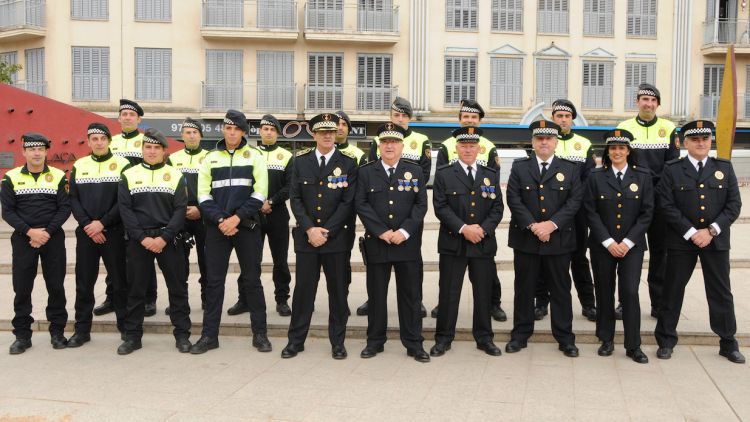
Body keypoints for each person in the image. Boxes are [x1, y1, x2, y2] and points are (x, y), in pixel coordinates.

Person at [654, 120, 745, 364]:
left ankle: (728, 342)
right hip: (681, 241)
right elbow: (665, 204)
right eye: (695, 139)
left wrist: (711, 230)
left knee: (720, 292)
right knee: (672, 291)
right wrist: (691, 231)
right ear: (685, 143)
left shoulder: (723, 168)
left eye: (705, 138)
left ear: (710, 141)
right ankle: (665, 340)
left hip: (715, 241)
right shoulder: (672, 169)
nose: (701, 143)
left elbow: (734, 205)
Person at [191, 110, 271, 354]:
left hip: (246, 227)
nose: (232, 132)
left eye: (236, 128)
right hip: (217, 229)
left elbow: (260, 193)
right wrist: (221, 219)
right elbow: (202, 195)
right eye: (228, 128)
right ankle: (209, 336)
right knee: (214, 283)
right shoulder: (210, 158)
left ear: (243, 131)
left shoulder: (255, 156)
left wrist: (236, 218)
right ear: (223, 130)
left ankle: (260, 334)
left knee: (252, 281)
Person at [281, 113, 358, 360]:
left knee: (338, 292)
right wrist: (309, 229)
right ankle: (296, 341)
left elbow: (348, 202)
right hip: (307, 238)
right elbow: (295, 198)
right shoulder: (300, 161)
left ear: (336, 134)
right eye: (322, 132)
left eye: (331, 132)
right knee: (303, 292)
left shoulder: (348, 163)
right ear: (313, 134)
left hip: (336, 239)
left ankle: (338, 342)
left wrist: (326, 231)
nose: (327, 136)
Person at [505, 120, 583, 358]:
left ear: (556, 142)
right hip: (526, 239)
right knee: (524, 288)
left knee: (560, 289)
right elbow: (513, 199)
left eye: (548, 138)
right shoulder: (520, 167)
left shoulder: (570, 169)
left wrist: (551, 224)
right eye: (539, 139)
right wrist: (533, 225)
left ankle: (565, 337)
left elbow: (574, 202)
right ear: (533, 142)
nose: (544, 142)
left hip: (559, 239)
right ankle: (521, 334)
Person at [355, 123, 430, 363]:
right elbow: (362, 204)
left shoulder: (415, 170)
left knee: (410, 297)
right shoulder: (366, 172)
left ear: (402, 145)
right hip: (378, 243)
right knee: (376, 295)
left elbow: (420, 205)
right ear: (379, 146)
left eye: (394, 142)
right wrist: (381, 231)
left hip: (407, 244)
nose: (389, 146)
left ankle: (414, 343)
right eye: (385, 142)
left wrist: (405, 231)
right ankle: (375, 341)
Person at [430, 126, 504, 358]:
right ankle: (443, 339)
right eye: (464, 145)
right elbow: (440, 207)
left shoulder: (490, 174)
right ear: (457, 148)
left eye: (472, 145)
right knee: (449, 294)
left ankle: (484, 339)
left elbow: (497, 207)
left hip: (482, 243)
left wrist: (481, 229)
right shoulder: (444, 173)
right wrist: (464, 229)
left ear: (479, 148)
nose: (468, 149)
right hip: (454, 243)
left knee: (483, 293)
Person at [117, 128, 191, 355]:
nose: (151, 151)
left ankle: (182, 335)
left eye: (156, 147)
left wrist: (164, 237)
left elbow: (180, 210)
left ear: (164, 151)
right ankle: (133, 336)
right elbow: (125, 209)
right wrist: (142, 238)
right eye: (147, 147)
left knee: (177, 288)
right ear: (142, 149)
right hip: (139, 241)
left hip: (168, 239)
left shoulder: (175, 175)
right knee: (136, 290)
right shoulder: (129, 175)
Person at [584, 129, 653, 363]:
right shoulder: (595, 176)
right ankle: (606, 339)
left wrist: (627, 241)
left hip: (631, 246)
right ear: (608, 152)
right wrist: (608, 241)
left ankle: (633, 345)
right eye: (613, 148)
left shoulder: (642, 176)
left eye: (621, 148)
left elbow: (647, 213)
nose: (617, 152)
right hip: (603, 245)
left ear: (628, 150)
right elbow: (590, 212)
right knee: (604, 291)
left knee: (630, 293)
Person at [359, 97, 431, 318]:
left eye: (403, 116)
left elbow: (424, 174)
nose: (399, 119)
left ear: (409, 118)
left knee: (412, 267)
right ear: (390, 117)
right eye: (396, 115)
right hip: (380, 218)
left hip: (408, 214)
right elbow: (372, 172)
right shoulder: (377, 141)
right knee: (377, 272)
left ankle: (415, 301)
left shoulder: (421, 140)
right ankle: (374, 301)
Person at [1, 133, 71, 355]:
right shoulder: (10, 178)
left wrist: (46, 232)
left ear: (47, 151)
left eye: (40, 148)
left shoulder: (59, 176)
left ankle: (57, 332)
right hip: (24, 239)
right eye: (31, 149)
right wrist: (30, 231)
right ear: (24, 152)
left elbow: (64, 208)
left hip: (52, 238)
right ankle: (22, 335)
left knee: (56, 286)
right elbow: (7, 212)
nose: (37, 153)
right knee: (22, 288)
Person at [616, 84, 678, 319]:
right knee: (627, 251)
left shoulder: (669, 128)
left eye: (653, 101)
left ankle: (658, 303)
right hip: (632, 202)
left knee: (660, 253)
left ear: (658, 105)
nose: (648, 104)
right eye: (644, 99)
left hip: (661, 202)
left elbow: (672, 166)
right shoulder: (624, 128)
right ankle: (625, 301)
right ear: (637, 102)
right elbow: (620, 162)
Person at [68, 123, 131, 347]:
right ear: (88, 141)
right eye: (94, 138)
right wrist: (89, 225)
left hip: (113, 232)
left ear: (109, 141)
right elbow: (73, 199)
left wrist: (102, 223)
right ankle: (82, 330)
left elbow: (123, 200)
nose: (98, 142)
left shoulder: (122, 165)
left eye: (102, 138)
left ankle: (126, 328)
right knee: (84, 283)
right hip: (87, 234)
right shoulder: (80, 164)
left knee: (120, 282)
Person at [534, 99, 596, 322]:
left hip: (576, 213)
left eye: (567, 116)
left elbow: (589, 181)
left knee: (579, 258)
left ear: (572, 119)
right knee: (543, 259)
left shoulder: (584, 144)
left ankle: (588, 304)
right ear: (553, 118)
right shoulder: (545, 141)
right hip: (547, 213)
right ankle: (541, 302)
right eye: (558, 116)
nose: (562, 119)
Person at [226, 115, 293, 317]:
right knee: (249, 260)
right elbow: (243, 183)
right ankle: (244, 299)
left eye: (273, 129)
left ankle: (282, 300)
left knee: (280, 260)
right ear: (259, 132)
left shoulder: (287, 156)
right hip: (251, 214)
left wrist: (270, 201)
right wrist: (256, 203)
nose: (268, 132)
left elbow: (290, 186)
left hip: (277, 214)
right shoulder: (248, 153)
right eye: (265, 129)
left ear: (278, 133)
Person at [105, 98, 159, 317]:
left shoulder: (146, 142)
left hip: (141, 205)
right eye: (123, 115)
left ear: (139, 119)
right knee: (114, 256)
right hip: (114, 206)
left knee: (144, 253)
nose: (127, 118)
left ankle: (149, 299)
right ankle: (113, 297)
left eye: (131, 115)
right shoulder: (111, 142)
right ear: (118, 118)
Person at [166, 118, 210, 314]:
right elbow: (167, 188)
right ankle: (178, 301)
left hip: (204, 215)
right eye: (187, 133)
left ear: (200, 135)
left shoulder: (211, 157)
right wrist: (180, 210)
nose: (191, 136)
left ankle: (207, 299)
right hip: (179, 216)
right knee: (178, 263)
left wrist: (201, 209)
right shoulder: (172, 159)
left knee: (206, 261)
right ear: (182, 135)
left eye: (195, 132)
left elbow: (215, 188)